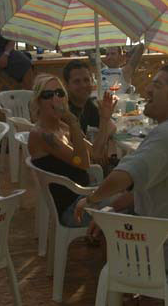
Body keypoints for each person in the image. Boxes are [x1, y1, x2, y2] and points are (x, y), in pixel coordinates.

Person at [74, 63, 168, 271]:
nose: (148, 90)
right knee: (110, 213)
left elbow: (123, 177)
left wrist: (91, 200)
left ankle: (121, 289)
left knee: (106, 230)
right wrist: (112, 207)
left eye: (157, 86)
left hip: (166, 249)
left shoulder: (167, 136)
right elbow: (149, 187)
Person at [28, 74, 114, 227]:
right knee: (131, 205)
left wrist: (105, 119)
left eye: (60, 93)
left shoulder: (62, 127)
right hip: (72, 210)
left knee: (132, 196)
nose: (56, 98)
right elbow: (83, 163)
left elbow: (95, 153)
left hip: (85, 196)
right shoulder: (42, 134)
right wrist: (73, 121)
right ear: (38, 102)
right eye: (48, 95)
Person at [63, 59, 116, 166]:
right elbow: (93, 154)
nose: (83, 85)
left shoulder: (87, 103)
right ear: (67, 85)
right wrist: (100, 145)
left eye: (86, 80)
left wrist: (102, 141)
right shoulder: (65, 111)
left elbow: (112, 127)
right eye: (77, 81)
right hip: (74, 169)